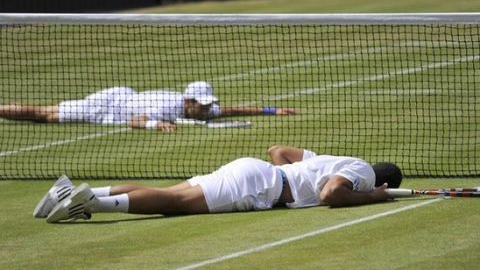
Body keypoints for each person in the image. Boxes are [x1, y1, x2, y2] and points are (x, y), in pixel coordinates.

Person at [34, 145, 403, 223]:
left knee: (171, 194)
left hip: (253, 170)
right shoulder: (364, 174)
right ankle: (91, 205)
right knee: (171, 203)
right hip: (258, 186)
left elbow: (279, 151)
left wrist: (291, 181)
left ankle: (72, 192)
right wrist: (375, 195)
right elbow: (332, 194)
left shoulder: (332, 159)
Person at [0, 81, 297, 132]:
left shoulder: (197, 109)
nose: (208, 110)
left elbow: (232, 110)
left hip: (123, 101)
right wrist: (156, 124)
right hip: (111, 105)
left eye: (209, 105)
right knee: (44, 114)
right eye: (204, 105)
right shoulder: (167, 105)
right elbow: (135, 121)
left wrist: (272, 110)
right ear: (189, 101)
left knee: (47, 118)